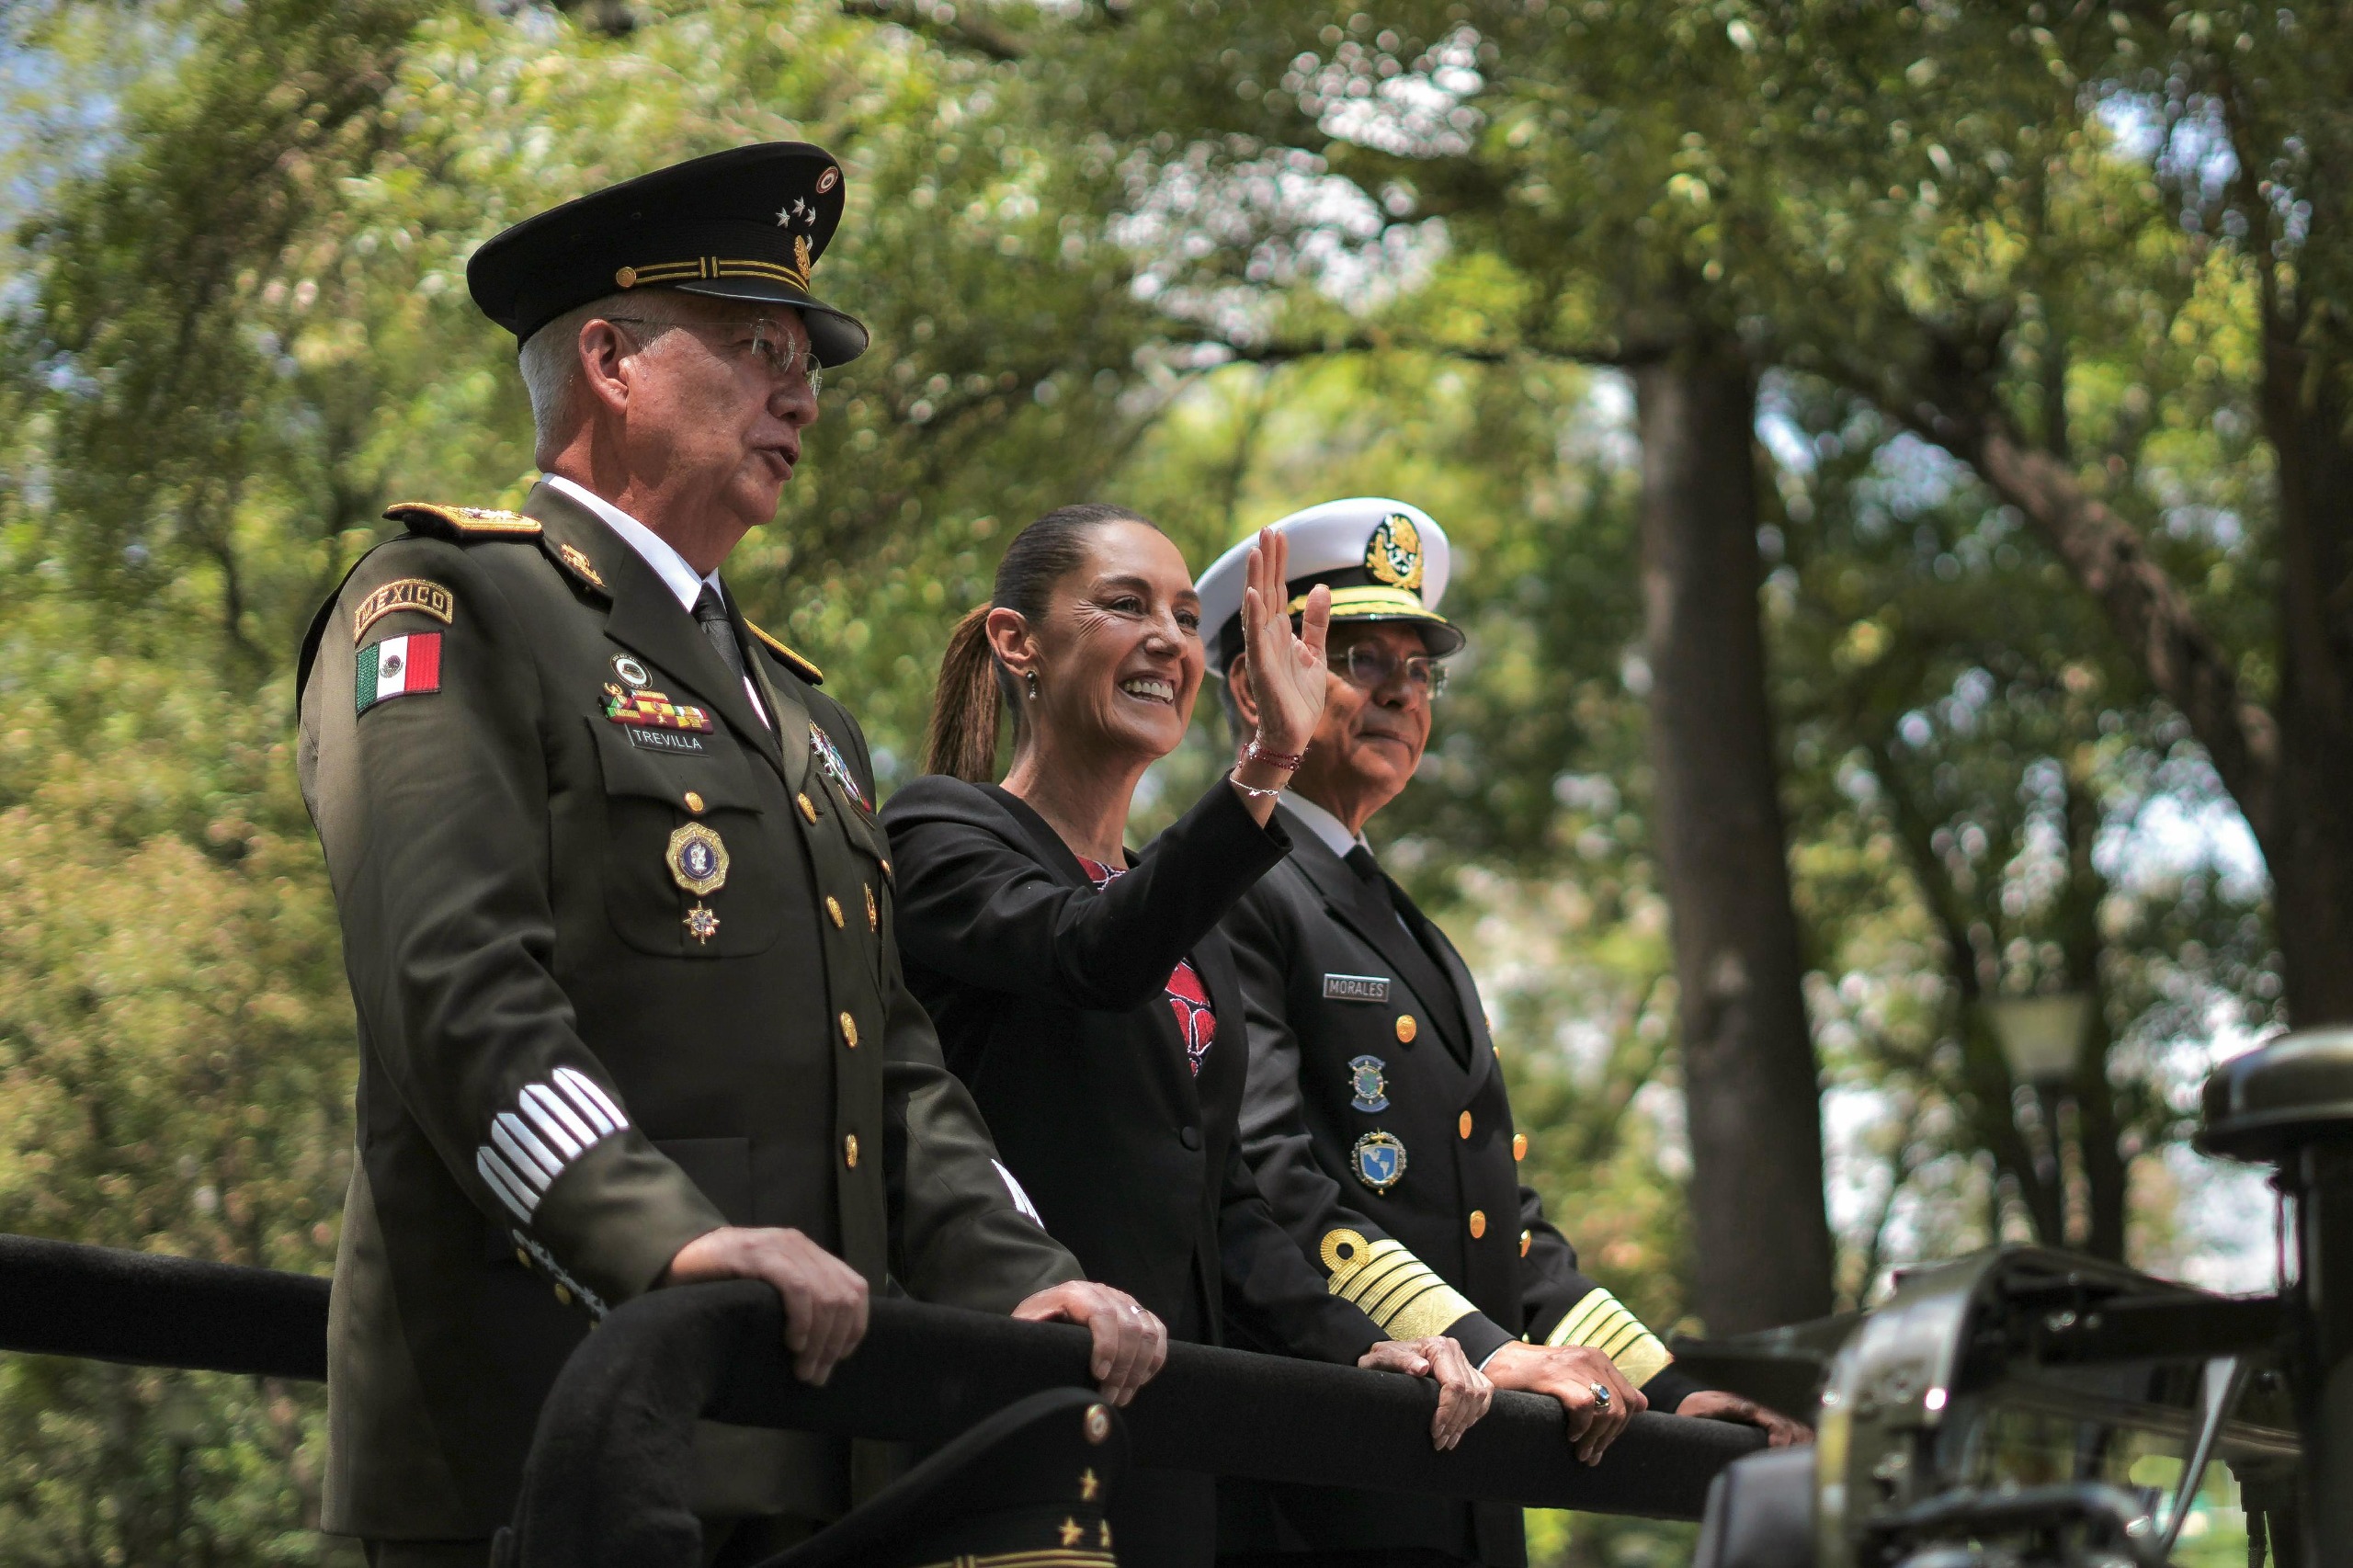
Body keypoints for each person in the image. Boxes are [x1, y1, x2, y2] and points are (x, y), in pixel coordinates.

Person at [294, 143, 1165, 1568]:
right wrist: (668, 1241)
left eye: (804, 358)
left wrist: (1029, 1282)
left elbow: (889, 1056)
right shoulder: (447, 603)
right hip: (545, 1435)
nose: (801, 392)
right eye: (756, 347)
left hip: (810, 1450)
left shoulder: (801, 709)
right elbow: (452, 986)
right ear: (610, 360)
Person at [1196, 499, 1811, 1568]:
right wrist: (1487, 1350)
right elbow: (1271, 1180)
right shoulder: (1218, 881)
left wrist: (1670, 1388)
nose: (1397, 688)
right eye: (1354, 656)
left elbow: (1502, 1228)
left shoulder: (1405, 926)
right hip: (1327, 1477)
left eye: (1419, 667)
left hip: (1463, 1475)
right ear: (1255, 684)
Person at [878, 506, 1494, 1568]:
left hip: (1174, 1453)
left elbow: (1232, 1210)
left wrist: (1366, 1345)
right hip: (1013, 1431)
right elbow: (1090, 953)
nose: (1167, 638)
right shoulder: (939, 831)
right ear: (1015, 641)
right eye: (1125, 605)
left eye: (1184, 616)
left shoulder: (1189, 917)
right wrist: (1264, 767)